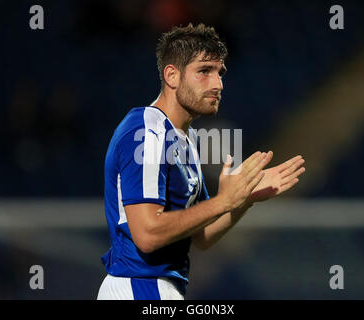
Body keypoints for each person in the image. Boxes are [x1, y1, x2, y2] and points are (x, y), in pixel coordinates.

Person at [97, 23, 305, 300]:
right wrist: (223, 201)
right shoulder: (147, 133)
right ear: (172, 75)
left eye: (220, 73)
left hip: (158, 288)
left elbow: (202, 235)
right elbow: (147, 234)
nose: (218, 84)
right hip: (139, 287)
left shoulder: (187, 138)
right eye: (204, 71)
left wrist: (244, 198)